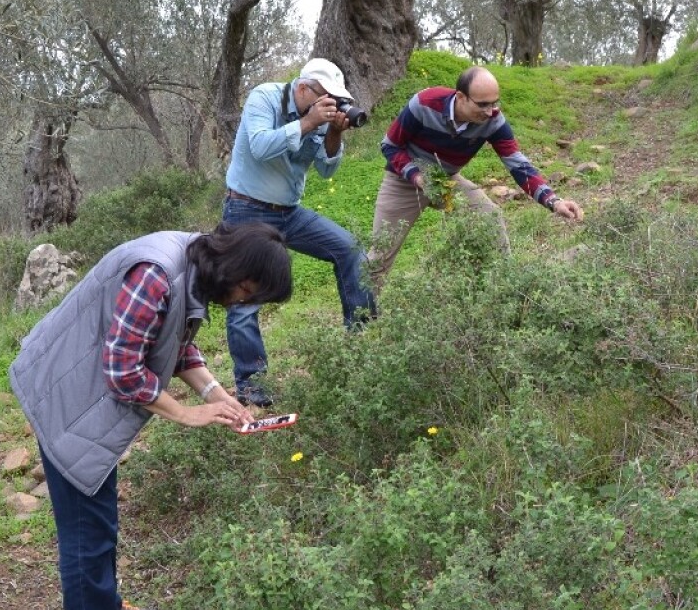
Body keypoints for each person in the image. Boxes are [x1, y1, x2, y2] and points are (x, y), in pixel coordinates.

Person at [8, 222, 292, 610]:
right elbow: (122, 373)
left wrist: (216, 395)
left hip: (84, 398)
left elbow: (176, 344)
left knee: (99, 521)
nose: (243, 302)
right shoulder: (156, 274)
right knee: (86, 532)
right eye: (247, 291)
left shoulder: (192, 269)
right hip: (65, 395)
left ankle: (107, 607)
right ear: (235, 269)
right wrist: (185, 413)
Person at [221, 57, 376, 407]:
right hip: (247, 211)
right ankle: (253, 388)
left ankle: (363, 349)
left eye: (337, 100)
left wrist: (334, 130)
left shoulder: (320, 115)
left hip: (288, 213)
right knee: (246, 297)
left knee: (350, 250)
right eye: (326, 97)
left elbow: (326, 169)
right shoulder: (265, 98)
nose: (331, 104)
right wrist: (308, 122)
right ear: (304, 88)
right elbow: (260, 147)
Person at [370, 66, 584, 290]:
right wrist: (417, 177)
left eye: (494, 103)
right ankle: (363, 320)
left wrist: (554, 201)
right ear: (460, 97)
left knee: (489, 218)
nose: (490, 111)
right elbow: (390, 145)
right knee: (380, 255)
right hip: (403, 181)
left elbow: (519, 165)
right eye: (482, 104)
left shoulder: (493, 120)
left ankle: (503, 289)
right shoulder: (425, 103)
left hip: (446, 181)